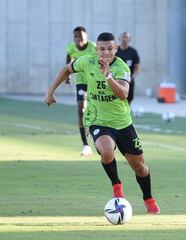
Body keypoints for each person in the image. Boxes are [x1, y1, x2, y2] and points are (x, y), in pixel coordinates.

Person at [45, 32, 160, 214]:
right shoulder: (87, 61)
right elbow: (67, 69)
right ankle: (117, 187)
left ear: (115, 49)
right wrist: (50, 91)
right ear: (96, 49)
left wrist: (108, 76)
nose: (106, 53)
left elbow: (123, 93)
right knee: (106, 151)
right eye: (102, 49)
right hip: (97, 120)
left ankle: (148, 198)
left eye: (110, 49)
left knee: (140, 167)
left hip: (122, 122)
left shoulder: (122, 67)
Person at [65, 26, 97, 156]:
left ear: (86, 37)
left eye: (81, 37)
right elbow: (68, 58)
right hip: (81, 82)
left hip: (94, 81)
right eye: (76, 37)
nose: (78, 39)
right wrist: (68, 75)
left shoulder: (93, 47)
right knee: (80, 109)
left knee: (95, 110)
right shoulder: (71, 48)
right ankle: (85, 144)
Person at [115, 32, 140, 105]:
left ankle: (126, 115)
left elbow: (137, 68)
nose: (124, 39)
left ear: (129, 40)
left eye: (126, 37)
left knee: (128, 100)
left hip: (129, 81)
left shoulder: (133, 52)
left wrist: (132, 77)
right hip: (116, 80)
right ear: (119, 38)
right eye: (123, 37)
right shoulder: (115, 50)